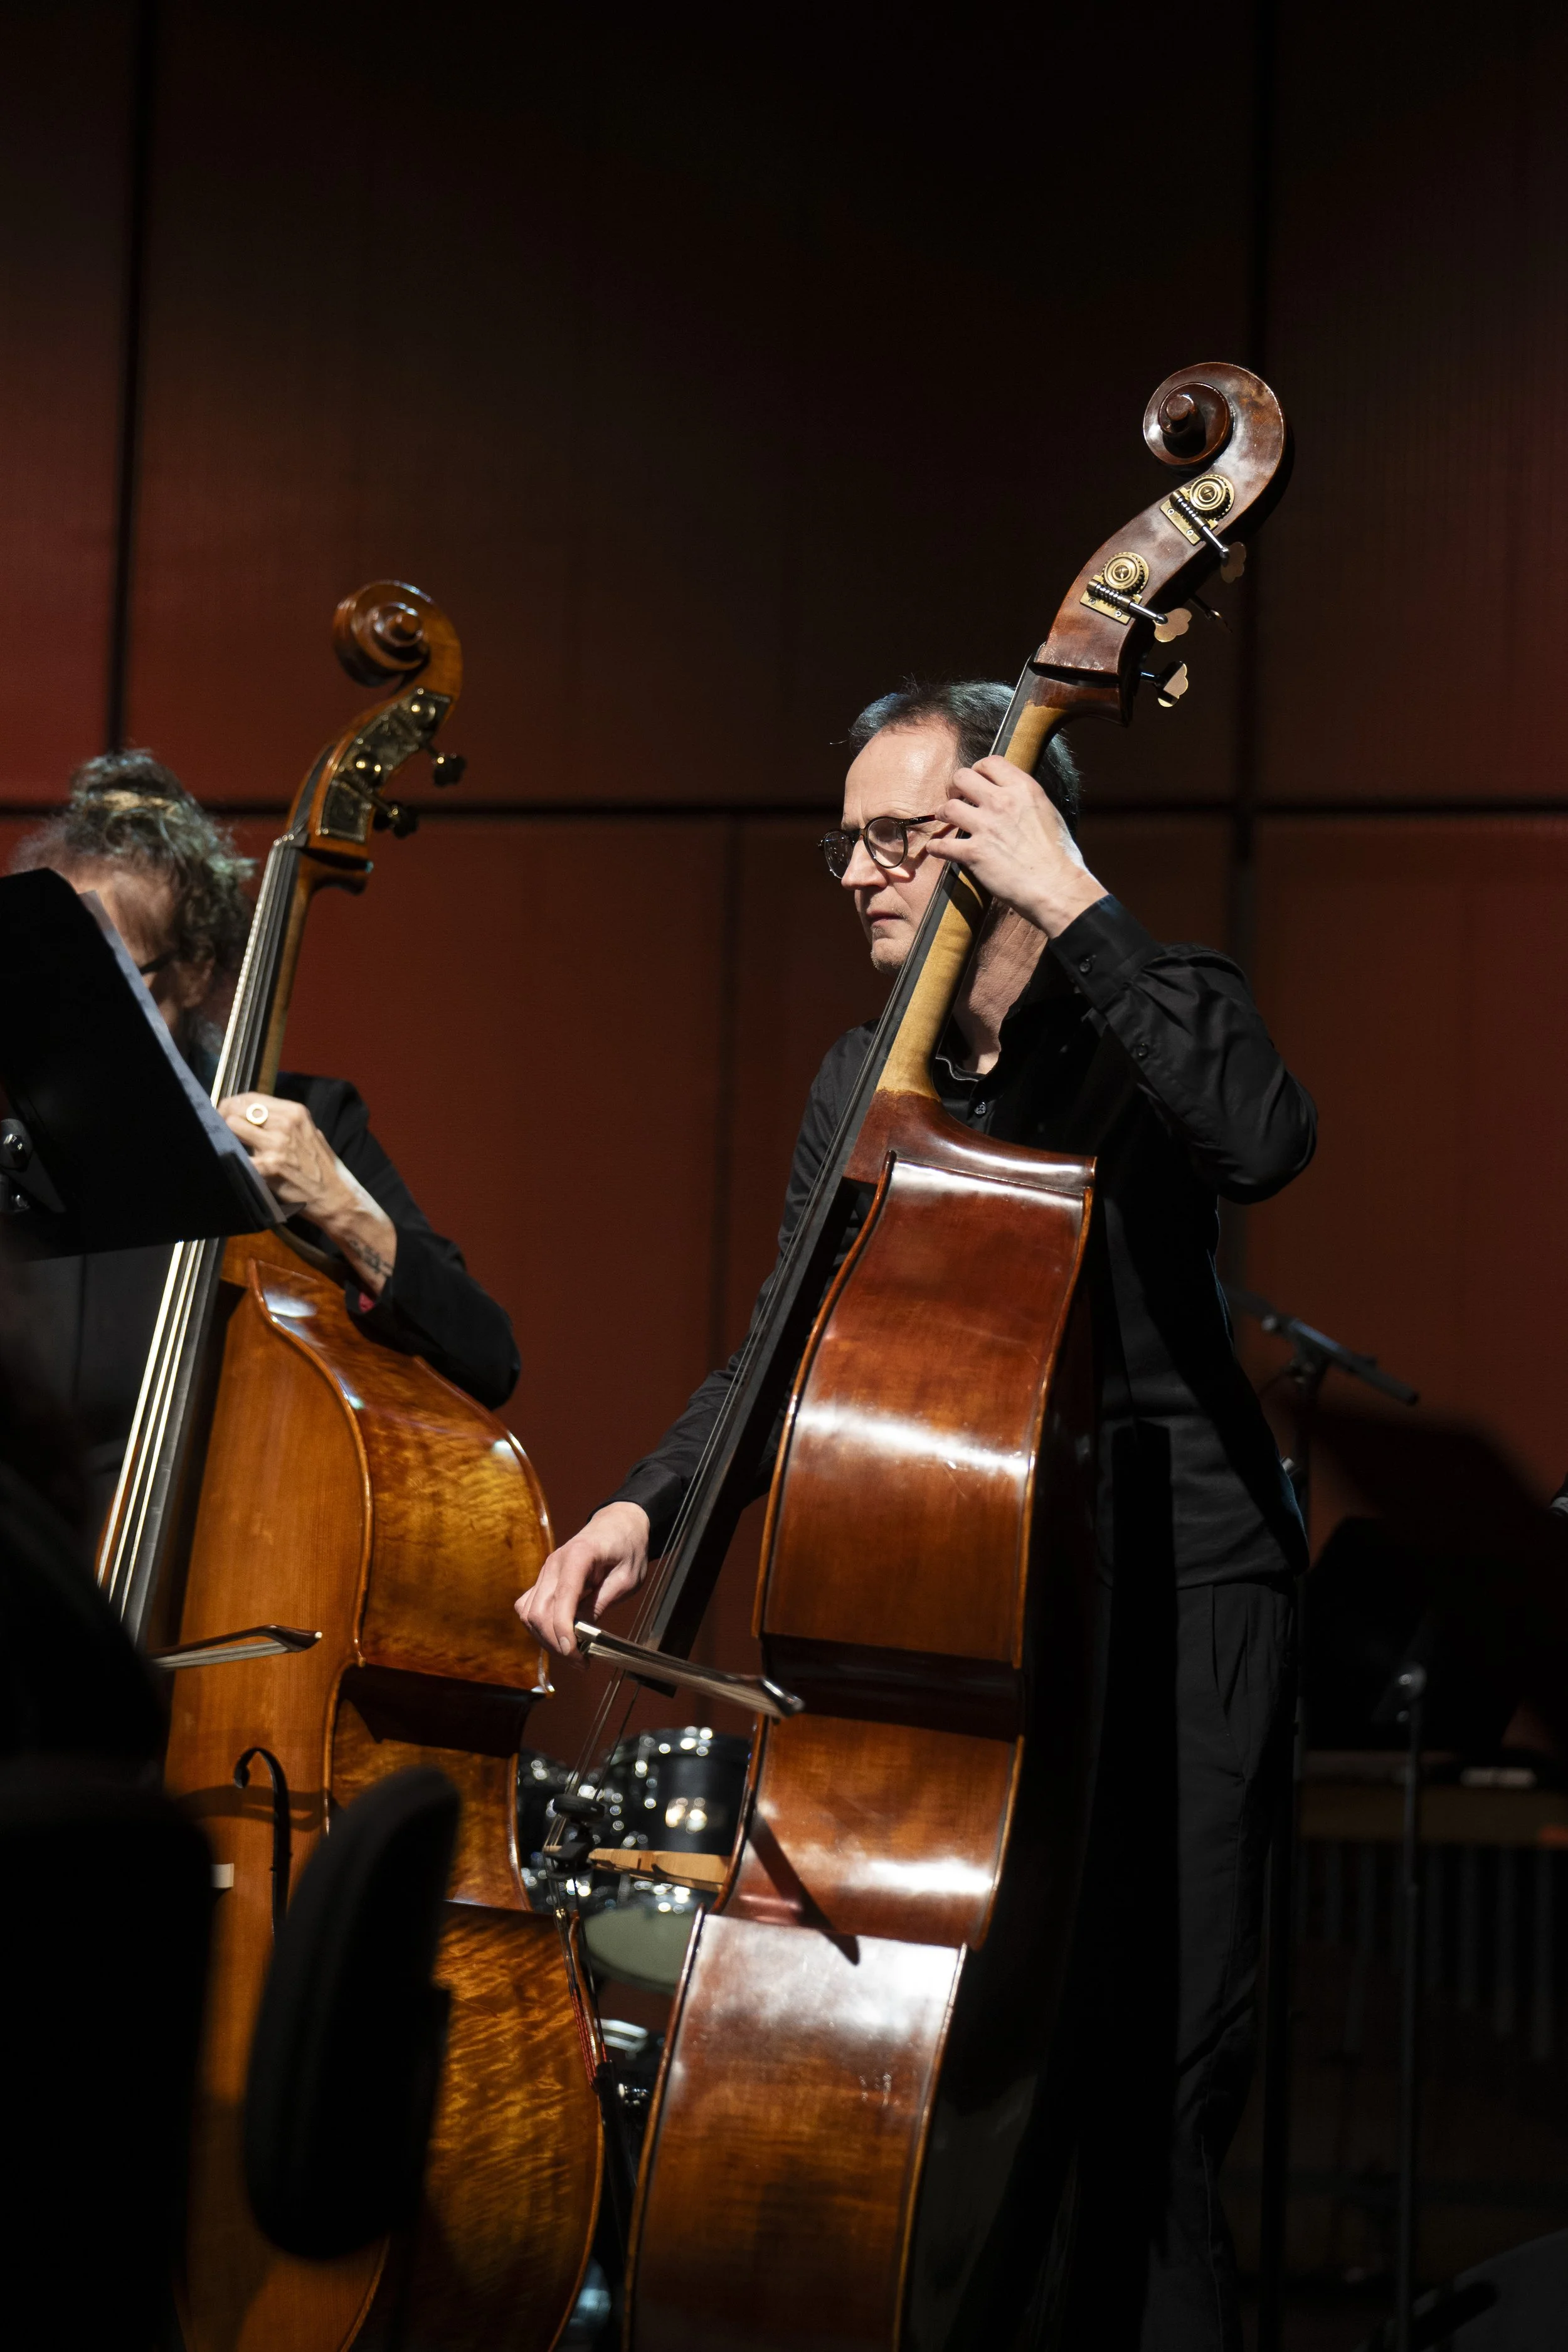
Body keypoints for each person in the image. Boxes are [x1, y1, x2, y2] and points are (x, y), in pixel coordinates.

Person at [517, 679, 1315, 2351]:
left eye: (900, 836)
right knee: (981, 2071)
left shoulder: (1154, 1007)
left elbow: (1260, 1137)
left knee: (1155, 2077)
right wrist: (643, 1505)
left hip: (1182, 1594)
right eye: (849, 842)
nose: (861, 873)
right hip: (975, 1613)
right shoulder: (863, 1077)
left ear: (1002, 831)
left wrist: (1073, 898)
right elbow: (786, 1335)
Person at [7, 751, 518, 1527]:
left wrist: (338, 1202)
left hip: (228, 1547)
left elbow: (487, 1356)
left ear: (196, 968)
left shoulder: (307, 1123)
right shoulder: (15, 1144)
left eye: (117, 975)